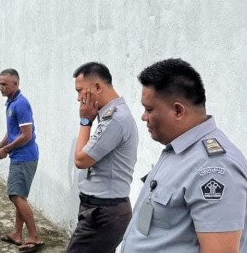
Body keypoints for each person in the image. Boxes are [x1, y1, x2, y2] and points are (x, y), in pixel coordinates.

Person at [121, 59, 247, 252]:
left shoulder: (214, 167)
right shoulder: (179, 150)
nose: (143, 117)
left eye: (149, 109)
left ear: (178, 111)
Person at [66, 62, 138, 253]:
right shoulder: (108, 116)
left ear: (97, 87)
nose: (78, 98)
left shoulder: (115, 119)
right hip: (100, 210)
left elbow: (81, 160)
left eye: (80, 91)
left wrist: (85, 121)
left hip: (104, 213)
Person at [0, 68, 43, 253]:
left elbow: (27, 135)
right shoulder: (11, 103)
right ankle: (17, 234)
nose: (1, 87)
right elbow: (13, 132)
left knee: (15, 195)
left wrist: (6, 150)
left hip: (24, 157)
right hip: (20, 156)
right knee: (19, 195)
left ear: (15, 84)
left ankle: (34, 236)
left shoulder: (20, 104)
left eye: (4, 84)